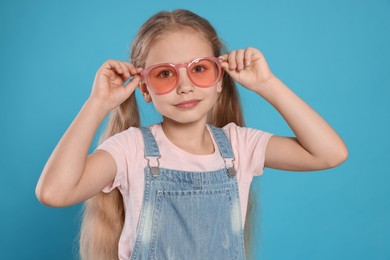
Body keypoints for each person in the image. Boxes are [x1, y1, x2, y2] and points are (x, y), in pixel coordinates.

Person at [35, 9, 348, 260]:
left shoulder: (240, 147)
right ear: (144, 88)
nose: (184, 85)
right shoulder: (131, 149)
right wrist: (97, 104)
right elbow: (55, 192)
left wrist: (267, 84)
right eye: (165, 74)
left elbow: (329, 153)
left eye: (199, 69)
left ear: (220, 78)